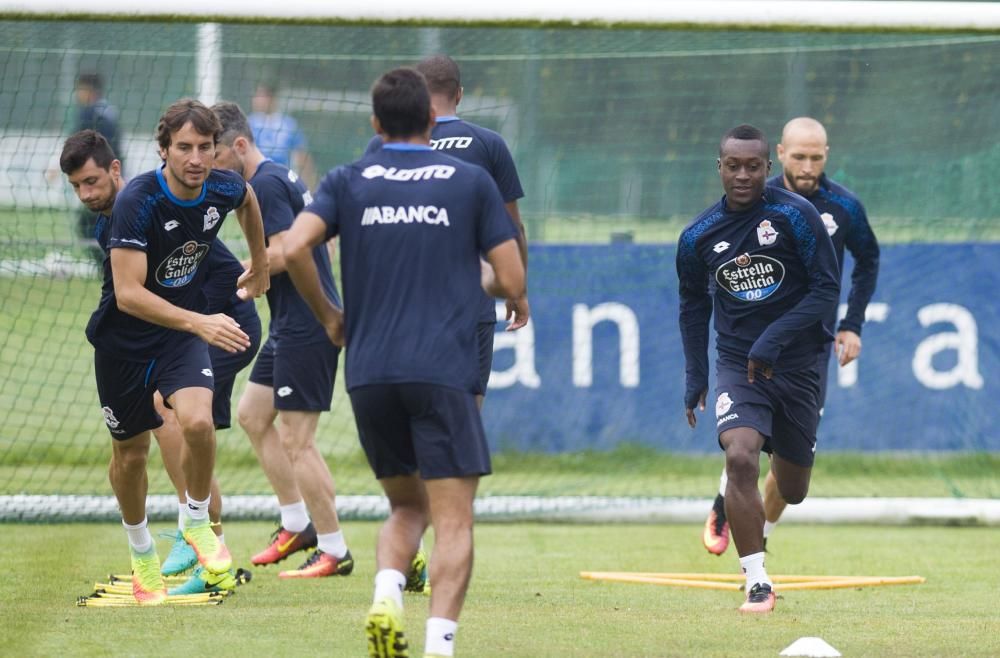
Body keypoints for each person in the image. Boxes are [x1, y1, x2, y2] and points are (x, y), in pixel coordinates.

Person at [283, 68, 526, 658]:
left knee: (405, 506)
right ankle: (438, 645)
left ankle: (388, 590)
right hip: (443, 370)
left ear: (374, 124)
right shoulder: (469, 180)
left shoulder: (348, 179)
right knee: (454, 518)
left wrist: (331, 317)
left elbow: (291, 247)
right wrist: (498, 284)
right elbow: (510, 276)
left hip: (369, 374)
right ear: (432, 120)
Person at [80, 99, 269, 604]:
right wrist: (200, 319)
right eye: (183, 147)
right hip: (124, 344)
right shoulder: (136, 201)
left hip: (181, 337)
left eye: (205, 147)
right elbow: (128, 294)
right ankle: (142, 552)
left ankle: (196, 522)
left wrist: (260, 262)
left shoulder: (222, 185)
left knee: (198, 424)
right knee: (131, 454)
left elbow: (247, 198)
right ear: (163, 150)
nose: (196, 158)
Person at [677, 124, 840, 613]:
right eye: (733, 166)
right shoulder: (698, 237)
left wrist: (773, 340)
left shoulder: (796, 215)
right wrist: (695, 375)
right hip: (739, 367)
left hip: (798, 364)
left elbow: (826, 290)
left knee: (793, 488)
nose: (743, 175)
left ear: (768, 168)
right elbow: (691, 307)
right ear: (719, 168)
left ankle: (760, 484)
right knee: (741, 456)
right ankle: (757, 581)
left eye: (753, 166)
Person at [701, 117, 880, 557]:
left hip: (808, 349)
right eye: (798, 156)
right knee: (746, 442)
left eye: (816, 157)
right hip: (751, 347)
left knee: (789, 470)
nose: (807, 165)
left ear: (827, 156)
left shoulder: (844, 207)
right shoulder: (750, 200)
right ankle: (728, 502)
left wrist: (852, 323)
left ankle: (761, 533)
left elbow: (868, 260)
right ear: (780, 154)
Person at [211, 100, 354, 578]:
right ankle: (297, 523)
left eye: (214, 155)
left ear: (240, 145)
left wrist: (241, 276)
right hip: (288, 323)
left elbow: (285, 250)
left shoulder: (266, 183)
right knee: (253, 415)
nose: (207, 166)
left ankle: (334, 547)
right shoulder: (274, 179)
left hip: (307, 325)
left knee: (299, 440)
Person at [366, 54, 530, 409]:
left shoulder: (383, 146)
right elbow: (513, 226)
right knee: (464, 423)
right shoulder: (488, 145)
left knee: (408, 422)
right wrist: (517, 290)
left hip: (401, 304)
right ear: (459, 94)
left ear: (418, 97)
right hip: (471, 299)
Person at [73, 73, 124, 263]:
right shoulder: (109, 110)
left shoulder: (89, 113)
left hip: (99, 179)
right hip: (114, 177)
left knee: (88, 223)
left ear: (89, 91)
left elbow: (78, 145)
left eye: (80, 90)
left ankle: (108, 267)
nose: (77, 95)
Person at [248, 83, 316, 189]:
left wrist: (308, 186)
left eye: (262, 96)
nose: (256, 100)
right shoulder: (248, 123)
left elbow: (302, 156)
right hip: (254, 180)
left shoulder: (289, 124)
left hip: (282, 181)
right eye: (256, 96)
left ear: (272, 99)